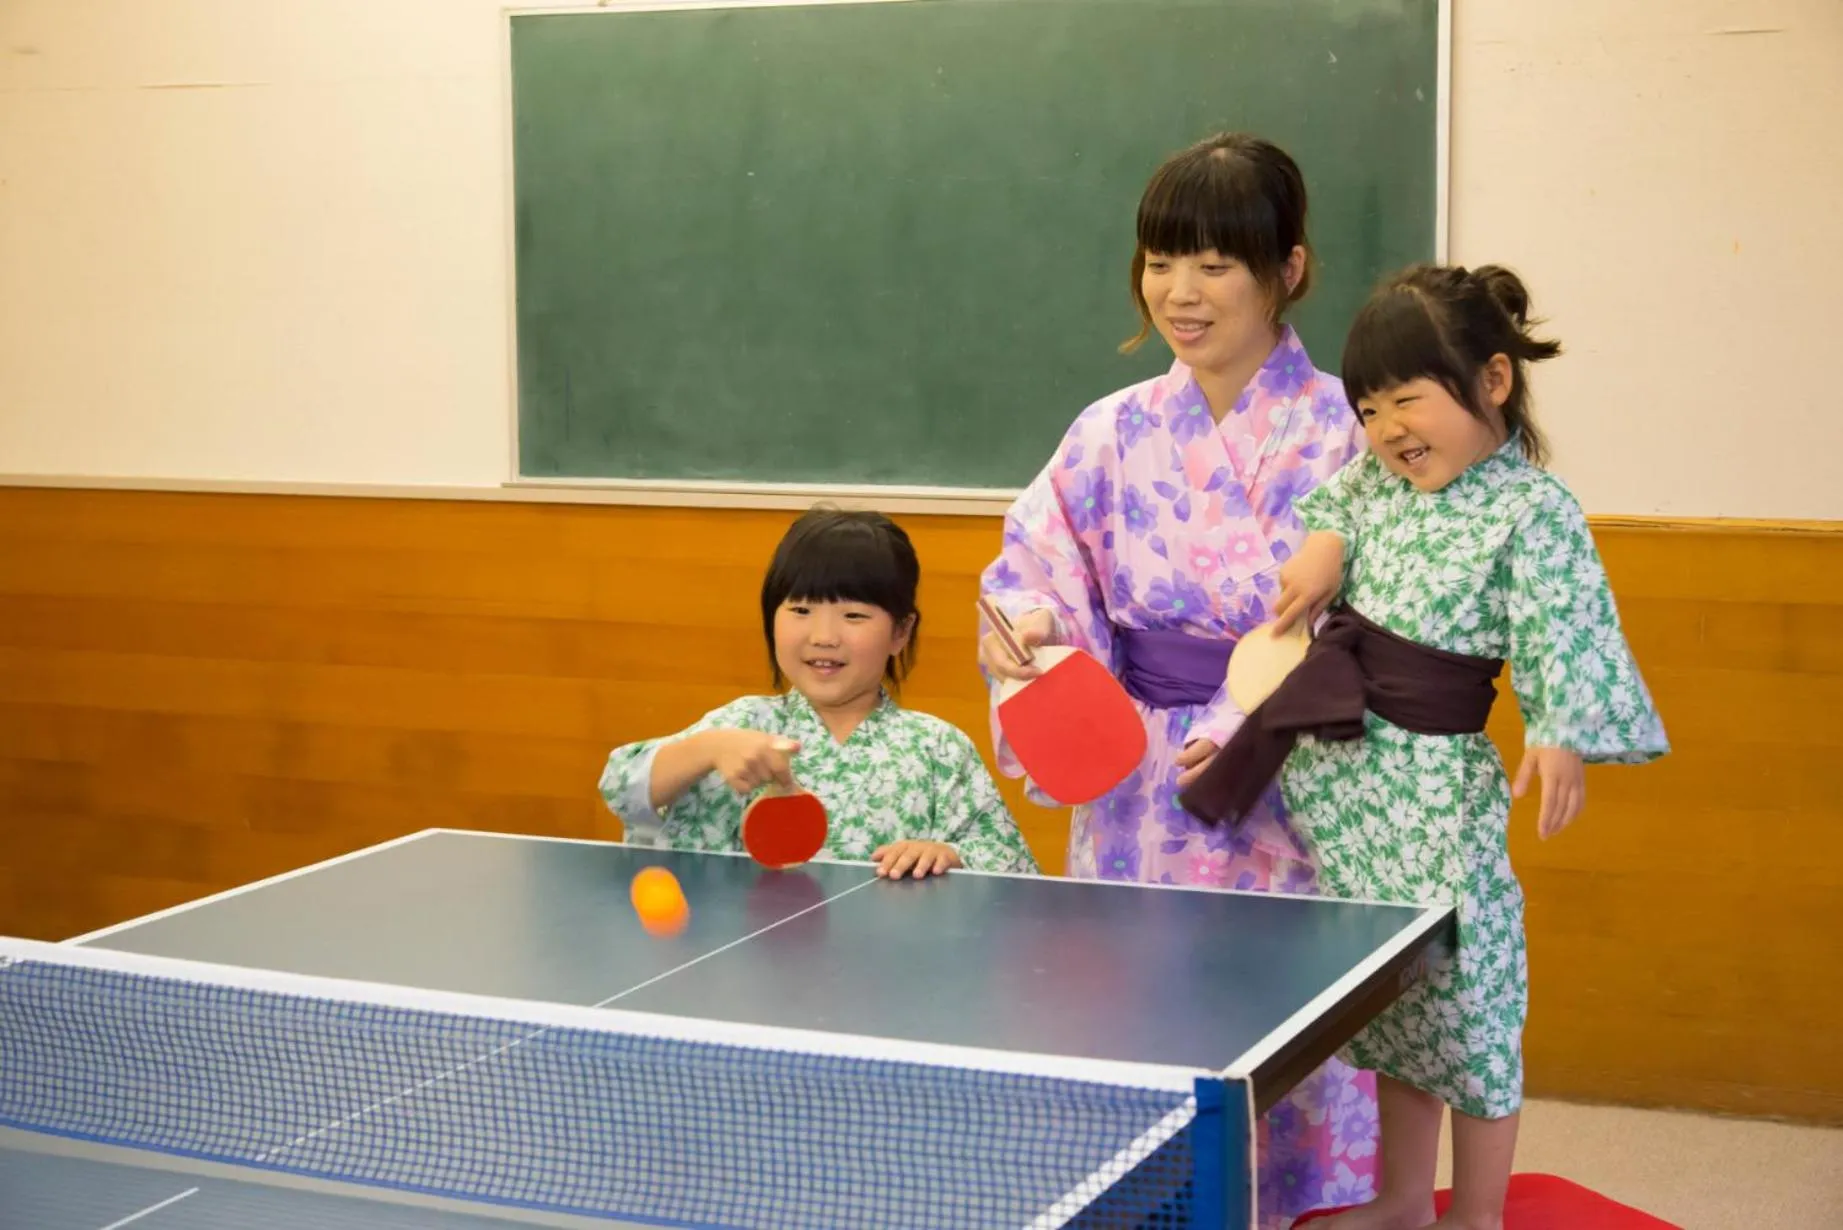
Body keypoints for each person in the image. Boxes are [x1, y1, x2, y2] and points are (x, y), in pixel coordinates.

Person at [1186, 263, 1670, 1230]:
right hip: (1343, 781)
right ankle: (1406, 1201)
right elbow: (1337, 503)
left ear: (1491, 381)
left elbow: (1560, 628)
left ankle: (1475, 1217)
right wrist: (1322, 545)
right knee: (1395, 1008)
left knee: (1469, 1010)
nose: (1387, 430)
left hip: (1431, 790)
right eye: (1368, 409)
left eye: (1407, 400)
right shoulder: (1373, 479)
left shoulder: (1532, 512)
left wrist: (1561, 730)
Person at [977, 132, 1377, 1225]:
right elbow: (1036, 569)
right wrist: (1030, 632)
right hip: (1135, 778)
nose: (1178, 292)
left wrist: (1259, 706)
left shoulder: (1354, 428)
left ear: (1287, 269)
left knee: (1278, 1024)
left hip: (1286, 774)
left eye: (1213, 263)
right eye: (1160, 260)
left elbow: (1391, 614)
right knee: (1133, 1028)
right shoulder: (1106, 432)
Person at [602, 506, 1037, 879]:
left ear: (901, 632)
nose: (823, 636)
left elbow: (1013, 867)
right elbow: (620, 787)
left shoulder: (939, 747)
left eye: (852, 614)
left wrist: (950, 856)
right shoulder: (742, 725)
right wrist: (708, 748)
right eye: (801, 610)